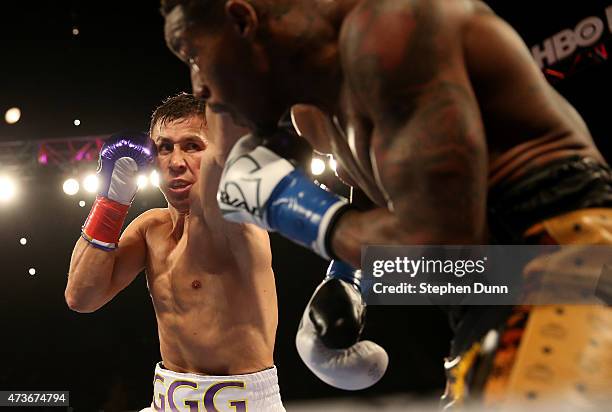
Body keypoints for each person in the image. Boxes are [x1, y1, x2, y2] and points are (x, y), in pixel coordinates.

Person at [161, 0, 612, 407]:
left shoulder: (392, 29)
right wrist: (351, 280)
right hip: (493, 294)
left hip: (575, 267)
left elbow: (449, 255)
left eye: (194, 56)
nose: (198, 84)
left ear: (242, 20)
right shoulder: (313, 116)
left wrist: (291, 207)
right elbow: (466, 273)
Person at [64, 93, 285, 411]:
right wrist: (112, 198)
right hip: (165, 400)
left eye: (192, 146)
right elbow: (81, 297)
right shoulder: (149, 228)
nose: (176, 162)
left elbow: (226, 153)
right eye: (164, 148)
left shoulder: (234, 218)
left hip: (243, 404)